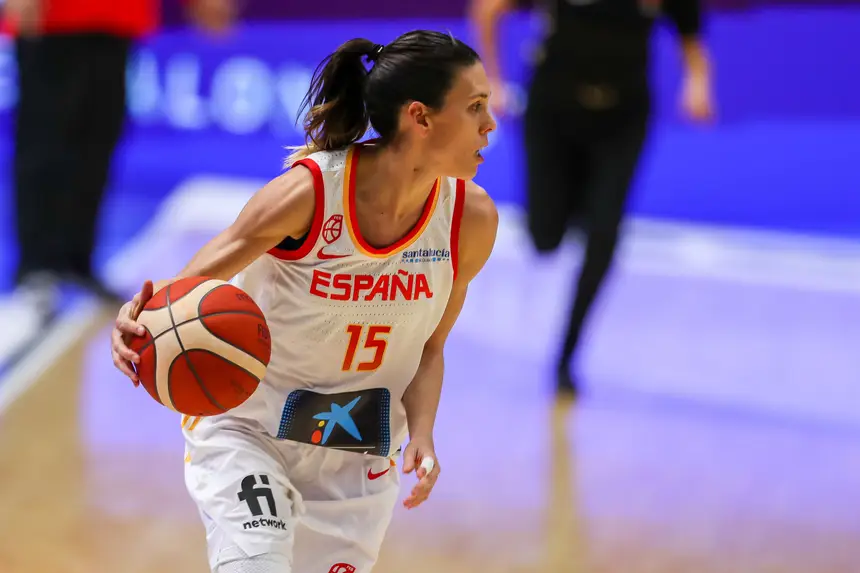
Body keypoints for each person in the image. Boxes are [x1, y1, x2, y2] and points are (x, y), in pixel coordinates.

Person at [110, 30, 499, 573]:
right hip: (250, 427)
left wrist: (426, 434)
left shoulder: (469, 221)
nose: (491, 123)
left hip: (357, 448)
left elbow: (430, 351)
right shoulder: (310, 194)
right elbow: (178, 299)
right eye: (475, 106)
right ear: (421, 117)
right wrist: (136, 324)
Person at [470, 0, 715, 396]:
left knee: (605, 235)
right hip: (553, 113)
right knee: (544, 238)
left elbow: (691, 36)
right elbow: (487, 9)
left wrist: (698, 81)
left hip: (623, 118)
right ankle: (580, 200)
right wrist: (490, 82)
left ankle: (567, 357)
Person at [1, 0, 237, 325]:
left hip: (117, 15)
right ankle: (37, 266)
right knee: (46, 142)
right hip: (54, 18)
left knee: (96, 141)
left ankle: (76, 260)